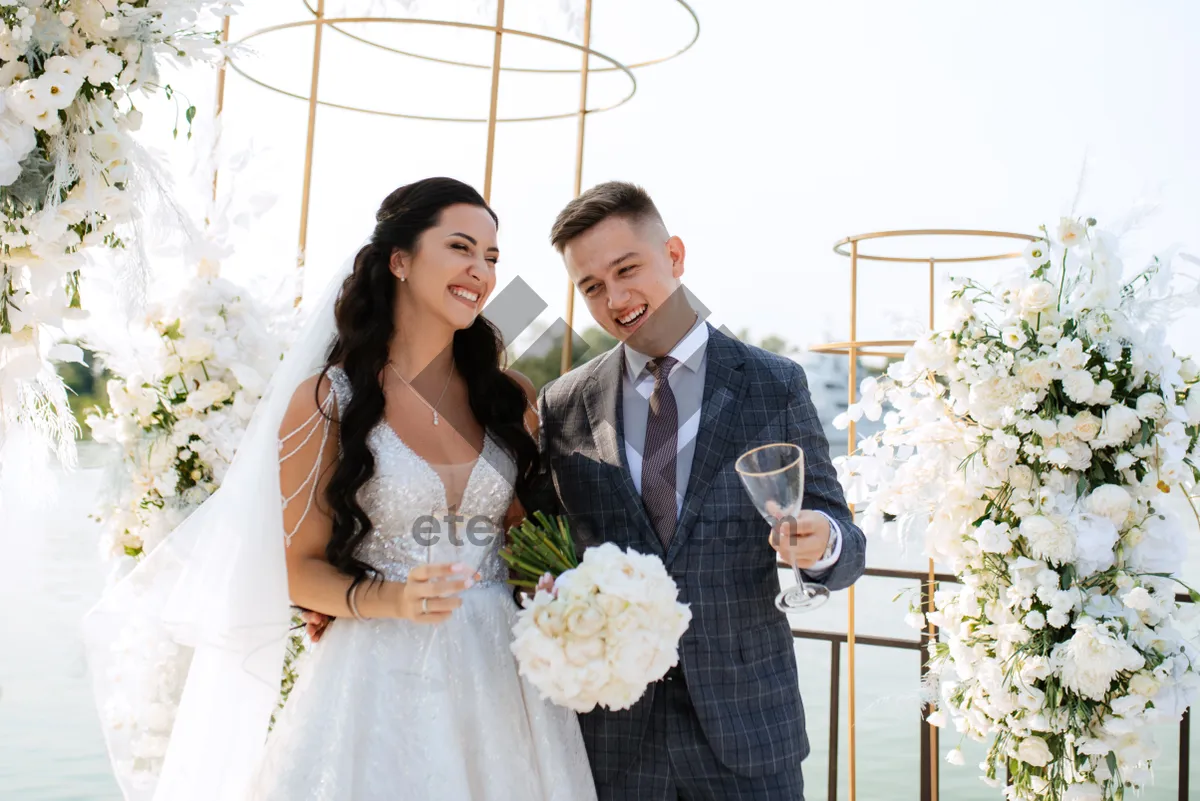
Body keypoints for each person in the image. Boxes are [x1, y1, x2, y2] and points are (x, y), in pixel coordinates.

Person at [86, 178, 596, 801]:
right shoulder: (329, 400)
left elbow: (525, 546)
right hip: (377, 679)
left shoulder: (508, 396)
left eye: (491, 258)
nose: (481, 271)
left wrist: (568, 596)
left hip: (504, 684)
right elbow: (296, 570)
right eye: (461, 248)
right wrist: (390, 599)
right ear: (400, 260)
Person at [538, 181, 866, 800]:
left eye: (626, 269)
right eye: (591, 287)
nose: (615, 298)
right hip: (612, 741)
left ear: (676, 255)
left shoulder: (773, 383)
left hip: (748, 731)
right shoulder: (563, 404)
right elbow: (540, 549)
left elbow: (845, 542)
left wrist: (822, 543)